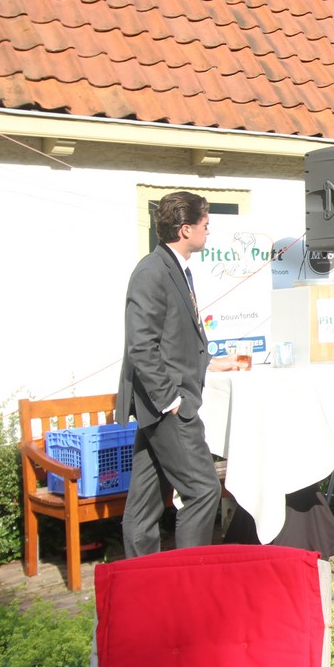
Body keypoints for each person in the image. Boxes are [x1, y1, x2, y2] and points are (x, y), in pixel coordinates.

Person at [118, 191, 241, 559]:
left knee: (144, 506)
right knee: (202, 491)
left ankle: (141, 581)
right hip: (168, 405)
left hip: (163, 403)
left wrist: (208, 362)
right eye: (205, 224)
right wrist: (171, 400)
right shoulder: (152, 271)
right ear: (186, 229)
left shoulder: (173, 267)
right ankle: (189, 577)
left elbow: (172, 338)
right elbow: (141, 345)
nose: (208, 230)